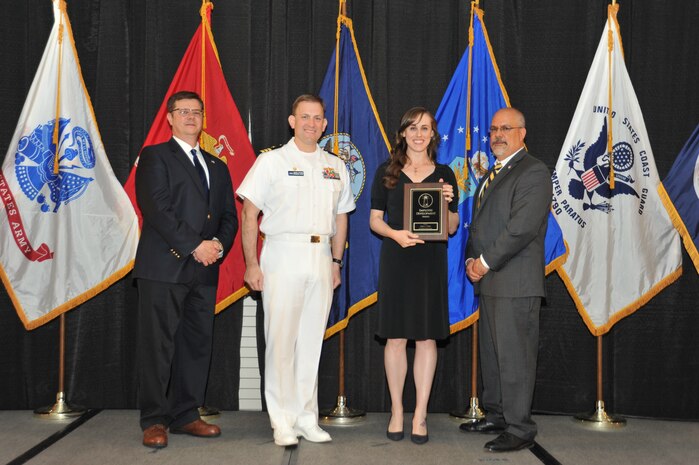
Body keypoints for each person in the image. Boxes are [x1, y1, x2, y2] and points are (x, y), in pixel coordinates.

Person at [237, 94, 355, 447]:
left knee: (310, 344)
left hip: (321, 256)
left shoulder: (335, 165)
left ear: (324, 124)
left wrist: (336, 263)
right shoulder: (271, 162)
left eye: (318, 118)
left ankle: (307, 418)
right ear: (292, 121)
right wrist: (251, 264)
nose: (311, 124)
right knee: (281, 342)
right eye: (305, 117)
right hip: (282, 253)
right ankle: (282, 420)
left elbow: (342, 216)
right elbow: (248, 214)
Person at [133, 90, 238, 449]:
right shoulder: (154, 156)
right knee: (158, 347)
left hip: (204, 270)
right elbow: (157, 209)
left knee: (196, 345)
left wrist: (218, 247)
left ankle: (186, 415)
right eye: (183, 111)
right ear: (170, 118)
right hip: (164, 267)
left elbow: (228, 217)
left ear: (203, 117)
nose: (191, 117)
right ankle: (154, 419)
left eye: (197, 111)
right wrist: (196, 245)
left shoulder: (217, 166)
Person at [460, 107, 552, 452]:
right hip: (492, 281)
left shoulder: (533, 171)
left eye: (506, 128)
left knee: (515, 357)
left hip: (515, 282)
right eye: (494, 129)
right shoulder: (493, 173)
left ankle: (519, 428)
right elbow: (481, 225)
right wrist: (472, 258)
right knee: (494, 355)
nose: (497, 134)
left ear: (522, 133)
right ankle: (497, 415)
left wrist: (483, 262)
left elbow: (521, 228)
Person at [369, 107, 459, 445]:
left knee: (426, 338)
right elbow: (374, 220)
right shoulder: (387, 172)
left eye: (425, 128)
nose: (419, 134)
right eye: (413, 128)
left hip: (430, 262)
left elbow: (450, 228)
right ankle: (397, 411)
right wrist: (395, 235)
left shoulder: (446, 174)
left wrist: (449, 205)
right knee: (394, 338)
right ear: (403, 133)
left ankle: (420, 414)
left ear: (433, 135)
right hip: (397, 258)